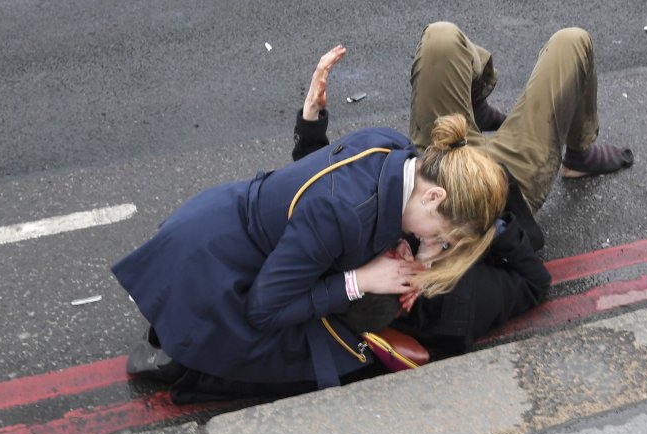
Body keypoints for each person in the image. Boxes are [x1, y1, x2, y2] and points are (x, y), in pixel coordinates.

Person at [113, 104, 508, 398]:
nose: (436, 246)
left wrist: (410, 252)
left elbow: (320, 188)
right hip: (213, 272)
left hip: (223, 228)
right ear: (435, 196)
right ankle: (182, 359)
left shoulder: (395, 148)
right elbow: (264, 309)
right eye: (442, 236)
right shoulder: (341, 215)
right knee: (322, 365)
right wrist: (359, 280)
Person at [293, 23, 632, 357]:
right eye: (401, 263)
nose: (398, 248)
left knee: (441, 38)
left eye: (386, 254)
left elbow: (321, 195)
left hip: (440, 157)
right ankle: (578, 151)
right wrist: (485, 224)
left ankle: (473, 108)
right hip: (505, 182)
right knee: (572, 42)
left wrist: (311, 122)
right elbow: (534, 283)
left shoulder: (355, 252)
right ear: (407, 294)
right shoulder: (455, 310)